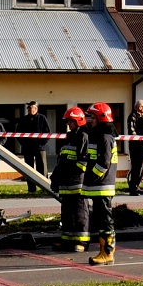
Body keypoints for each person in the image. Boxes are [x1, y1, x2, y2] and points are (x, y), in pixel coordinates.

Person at [82, 102, 119, 265]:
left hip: (102, 185)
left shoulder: (105, 137)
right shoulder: (99, 134)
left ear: (100, 118)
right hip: (99, 185)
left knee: (105, 221)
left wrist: (91, 178)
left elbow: (103, 164)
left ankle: (107, 252)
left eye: (92, 117)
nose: (91, 120)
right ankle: (103, 251)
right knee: (102, 220)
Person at [52, 107, 90, 252]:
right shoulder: (69, 137)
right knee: (66, 213)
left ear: (78, 121)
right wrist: (56, 177)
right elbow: (62, 158)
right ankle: (67, 240)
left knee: (80, 212)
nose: (68, 123)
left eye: (71, 121)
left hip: (77, 181)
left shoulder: (83, 137)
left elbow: (83, 161)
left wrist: (72, 174)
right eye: (68, 121)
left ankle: (82, 242)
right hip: (66, 181)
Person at [15, 101, 51, 193]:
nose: (30, 109)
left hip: (40, 148)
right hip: (28, 148)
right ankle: (31, 189)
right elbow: (18, 133)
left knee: (42, 168)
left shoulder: (42, 118)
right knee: (29, 169)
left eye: (32, 108)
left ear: (36, 109)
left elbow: (47, 133)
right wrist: (24, 144)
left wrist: (42, 143)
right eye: (29, 108)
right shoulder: (24, 119)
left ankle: (44, 188)